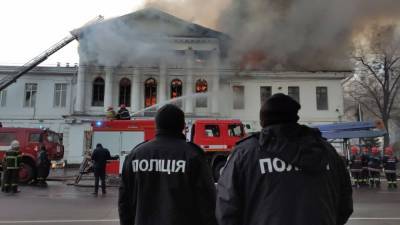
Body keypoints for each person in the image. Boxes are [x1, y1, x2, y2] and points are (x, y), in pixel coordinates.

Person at [216, 93, 353, 225]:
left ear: (263, 120)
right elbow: (345, 204)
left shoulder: (245, 154)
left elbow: (227, 208)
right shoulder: (326, 151)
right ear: (294, 117)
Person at [119, 104, 217, 225]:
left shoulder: (135, 155)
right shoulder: (193, 156)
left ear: (156, 125)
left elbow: (124, 203)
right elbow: (207, 203)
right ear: (183, 126)